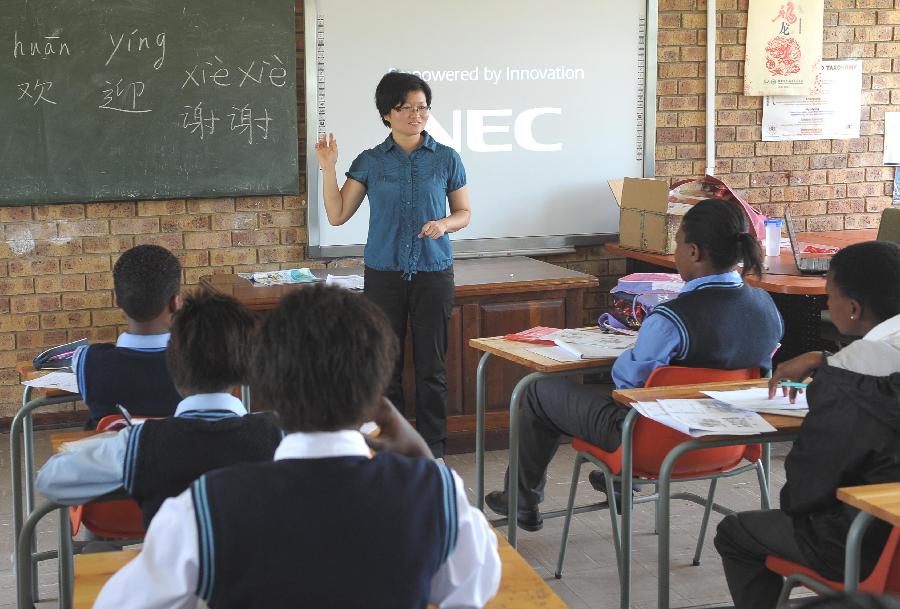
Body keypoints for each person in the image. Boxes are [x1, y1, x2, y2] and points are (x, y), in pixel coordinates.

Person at [92, 285, 501, 609]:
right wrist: (427, 467)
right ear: (380, 391)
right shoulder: (437, 496)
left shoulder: (203, 507)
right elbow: (475, 587)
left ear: (262, 387)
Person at [486, 199, 784, 531]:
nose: (676, 253)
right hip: (729, 441)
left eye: (677, 245)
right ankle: (618, 480)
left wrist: (635, 349)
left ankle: (522, 500)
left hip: (654, 445)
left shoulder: (673, 318)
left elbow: (630, 384)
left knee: (539, 391)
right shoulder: (766, 306)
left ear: (695, 253)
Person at [714, 240, 900, 609]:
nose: (827, 305)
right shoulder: (857, 371)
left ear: (852, 308)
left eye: (829, 296)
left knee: (734, 533)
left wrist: (831, 376)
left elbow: (803, 492)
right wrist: (826, 360)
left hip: (859, 545)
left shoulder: (848, 381)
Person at [314, 71, 471, 458]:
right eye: (405, 108)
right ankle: (392, 449)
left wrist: (443, 224)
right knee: (387, 366)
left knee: (432, 368)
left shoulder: (446, 158)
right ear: (387, 114)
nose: (416, 115)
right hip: (383, 275)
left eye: (422, 107)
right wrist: (328, 166)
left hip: (434, 273)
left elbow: (464, 212)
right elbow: (336, 215)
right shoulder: (369, 161)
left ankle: (433, 450)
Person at [36, 291, 282, 527]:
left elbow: (50, 479)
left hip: (172, 568)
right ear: (247, 368)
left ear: (172, 365)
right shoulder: (280, 436)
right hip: (256, 568)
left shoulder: (139, 444)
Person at [71, 244, 183, 426]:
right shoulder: (199, 362)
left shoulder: (87, 362)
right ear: (175, 303)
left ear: (117, 299)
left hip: (118, 454)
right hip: (179, 454)